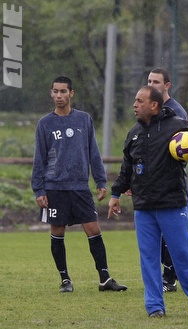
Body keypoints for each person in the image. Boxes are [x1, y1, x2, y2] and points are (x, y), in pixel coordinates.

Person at [108, 85, 188, 316]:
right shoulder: (133, 133)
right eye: (135, 101)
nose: (134, 105)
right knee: (149, 260)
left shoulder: (177, 126)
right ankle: (155, 307)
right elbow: (127, 168)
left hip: (172, 205)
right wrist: (116, 194)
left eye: (139, 101)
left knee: (183, 255)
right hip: (144, 209)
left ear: (154, 105)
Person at [31, 76, 127, 293]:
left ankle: (104, 279)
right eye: (55, 91)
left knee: (93, 229)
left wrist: (101, 180)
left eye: (63, 91)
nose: (58, 96)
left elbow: (93, 151)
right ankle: (65, 280)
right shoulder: (45, 124)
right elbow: (40, 158)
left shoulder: (84, 120)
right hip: (55, 187)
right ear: (51, 93)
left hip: (80, 187)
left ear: (71, 93)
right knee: (58, 231)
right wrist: (39, 188)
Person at [147, 67, 188, 293]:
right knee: (158, 233)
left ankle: (170, 277)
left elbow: (183, 150)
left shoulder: (175, 112)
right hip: (152, 182)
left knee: (172, 233)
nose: (152, 85)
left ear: (167, 85)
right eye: (149, 81)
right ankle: (167, 277)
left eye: (156, 81)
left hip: (171, 183)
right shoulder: (150, 111)